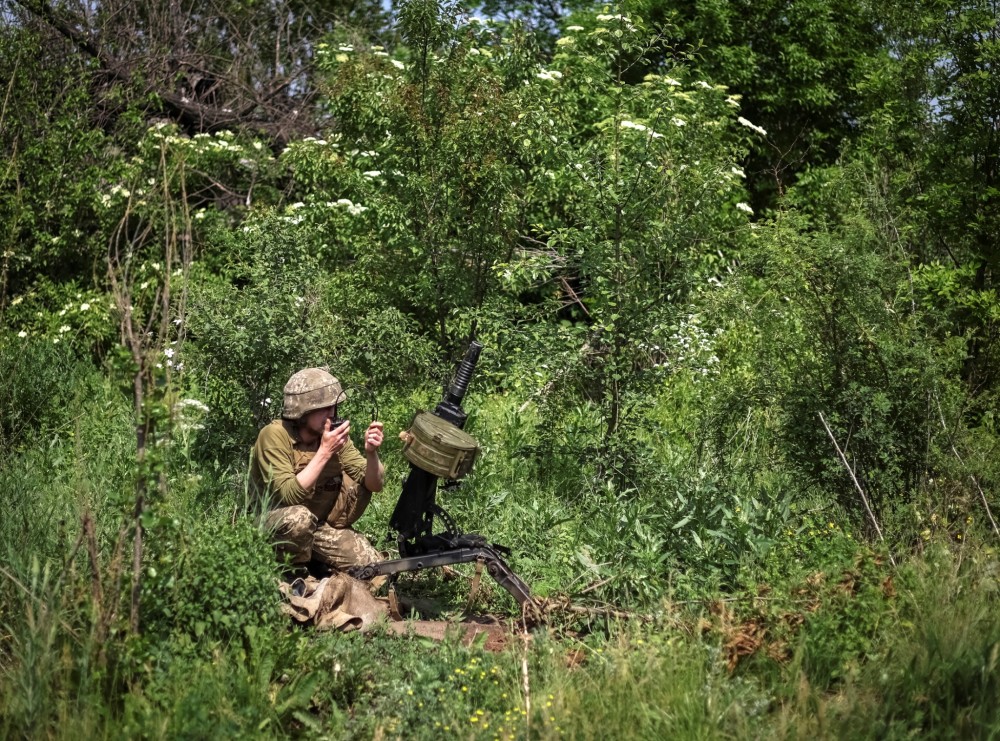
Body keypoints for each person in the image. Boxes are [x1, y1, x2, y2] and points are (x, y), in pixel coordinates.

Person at [250, 367, 385, 573]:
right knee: (299, 519)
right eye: (324, 408)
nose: (332, 413)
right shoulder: (274, 435)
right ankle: (291, 573)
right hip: (275, 524)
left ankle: (316, 562)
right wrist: (325, 451)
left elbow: (374, 484)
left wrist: (371, 453)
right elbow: (289, 495)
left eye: (334, 406)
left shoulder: (333, 436)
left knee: (371, 566)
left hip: (317, 527)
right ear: (302, 412)